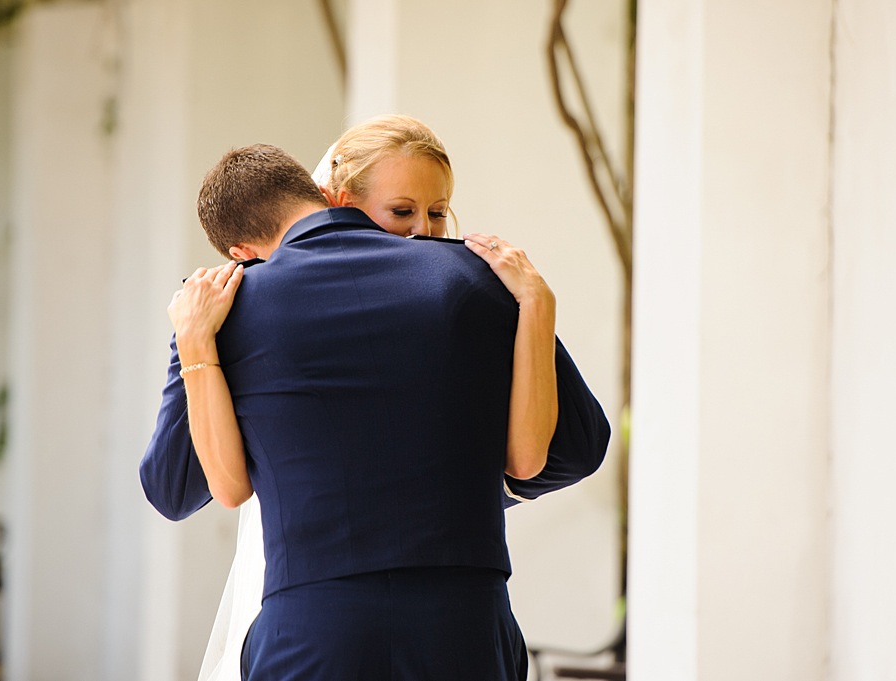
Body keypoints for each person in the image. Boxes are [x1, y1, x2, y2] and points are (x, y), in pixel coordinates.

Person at [141, 134, 610, 679]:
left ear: (238, 253)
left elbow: (172, 489)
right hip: (466, 623)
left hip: (315, 629)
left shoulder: (225, 311)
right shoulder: (480, 276)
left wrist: (193, 344)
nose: (423, 227)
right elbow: (576, 448)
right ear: (324, 194)